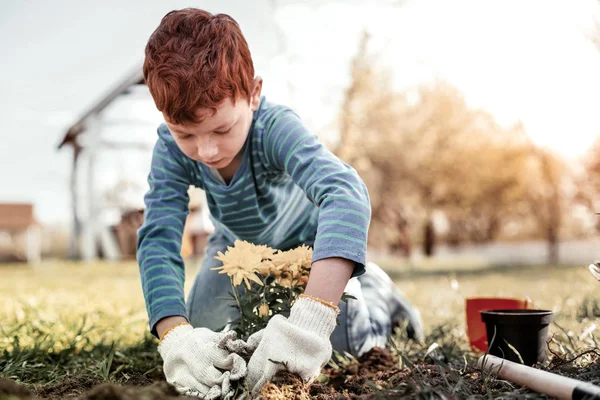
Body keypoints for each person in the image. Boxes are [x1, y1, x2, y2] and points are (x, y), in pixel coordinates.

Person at [137, 8, 424, 397]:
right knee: (204, 327)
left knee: (340, 345)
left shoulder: (274, 128)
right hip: (238, 251)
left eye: (222, 129)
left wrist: (311, 321)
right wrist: (174, 338)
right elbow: (158, 238)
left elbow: (345, 193)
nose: (205, 150)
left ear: (253, 95)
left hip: (309, 248)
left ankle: (374, 290)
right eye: (186, 134)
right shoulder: (171, 150)